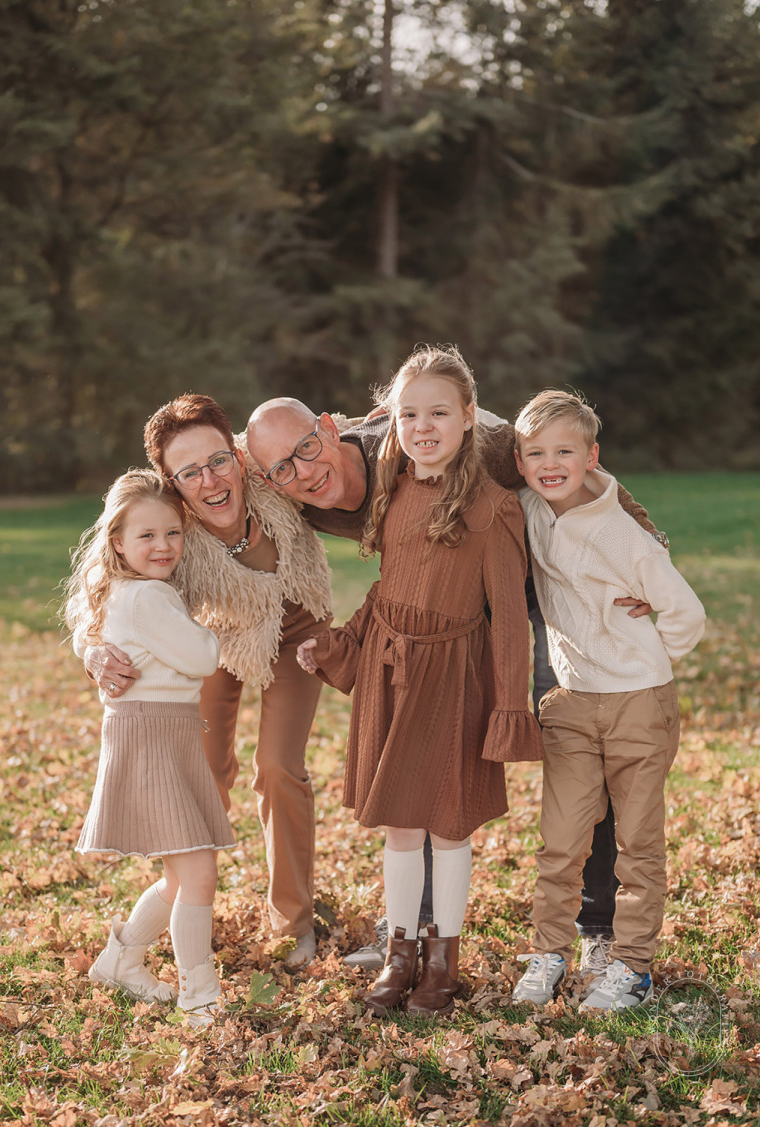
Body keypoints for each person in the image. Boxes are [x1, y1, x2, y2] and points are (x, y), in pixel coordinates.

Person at [247, 387, 664, 975]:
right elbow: (205, 483)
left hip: (540, 590)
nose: (304, 472)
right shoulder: (291, 489)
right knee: (419, 750)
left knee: (580, 750)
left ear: (329, 430)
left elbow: (562, 455)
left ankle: (598, 924)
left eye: (307, 449)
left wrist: (647, 547)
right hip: (446, 618)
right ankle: (414, 927)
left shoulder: (428, 439)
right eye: (281, 468)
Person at [295, 345, 544, 1017]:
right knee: (401, 827)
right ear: (391, 421)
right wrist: (342, 645)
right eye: (409, 414)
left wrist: (509, 709)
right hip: (391, 673)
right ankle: (399, 954)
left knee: (449, 825)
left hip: (454, 678)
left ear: (469, 417)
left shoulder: (494, 509)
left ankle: (442, 961)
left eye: (438, 413)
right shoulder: (394, 489)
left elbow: (509, 622)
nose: (423, 427)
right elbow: (389, 589)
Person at [83, 396, 332, 970]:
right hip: (214, 636)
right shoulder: (171, 531)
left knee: (278, 767)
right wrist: (92, 650)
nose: (210, 481)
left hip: (297, 632)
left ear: (239, 455)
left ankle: (293, 921)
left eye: (219, 461)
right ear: (172, 484)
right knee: (204, 768)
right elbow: (100, 588)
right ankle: (190, 897)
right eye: (189, 472)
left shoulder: (276, 473)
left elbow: (339, 437)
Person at [511, 391, 705, 1011]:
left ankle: (631, 968)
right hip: (570, 701)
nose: (550, 464)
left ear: (591, 457)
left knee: (637, 844)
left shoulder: (626, 536)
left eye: (564, 452)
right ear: (519, 461)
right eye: (536, 453)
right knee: (560, 840)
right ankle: (548, 954)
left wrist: (644, 652)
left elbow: (687, 614)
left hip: (637, 704)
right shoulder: (529, 508)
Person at [63, 469, 237, 1024]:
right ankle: (199, 995)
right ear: (117, 541)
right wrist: (215, 626)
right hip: (155, 736)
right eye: (146, 535)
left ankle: (121, 960)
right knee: (198, 871)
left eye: (173, 533)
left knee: (182, 874)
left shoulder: (123, 590)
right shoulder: (150, 596)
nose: (163, 546)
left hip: (159, 730)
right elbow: (203, 657)